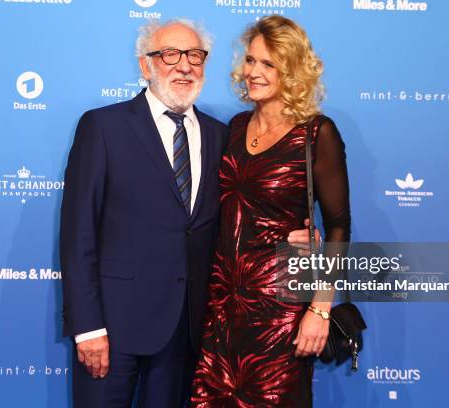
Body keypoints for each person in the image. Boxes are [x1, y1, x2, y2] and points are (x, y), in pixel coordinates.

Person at [60, 19, 315, 408]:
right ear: (146, 65)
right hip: (112, 330)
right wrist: (88, 328)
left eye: (195, 56)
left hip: (187, 333)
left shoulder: (221, 135)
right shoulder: (103, 127)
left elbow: (241, 214)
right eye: (170, 54)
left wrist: (295, 239)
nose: (184, 66)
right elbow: (79, 235)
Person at [191, 16, 351, 407]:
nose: (254, 73)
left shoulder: (316, 132)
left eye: (269, 64)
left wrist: (320, 308)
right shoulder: (235, 126)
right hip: (221, 308)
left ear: (292, 69)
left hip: (281, 311)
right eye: (250, 61)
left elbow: (338, 226)